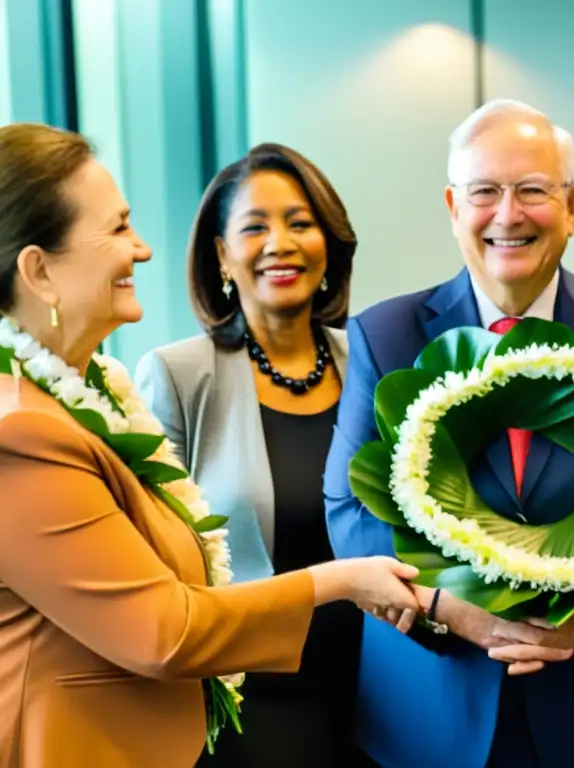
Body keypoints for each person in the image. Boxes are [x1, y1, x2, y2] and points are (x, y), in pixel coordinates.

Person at [0, 123, 420, 768]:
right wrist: (339, 581)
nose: (141, 249)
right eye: (117, 229)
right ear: (40, 272)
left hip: (360, 692)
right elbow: (165, 630)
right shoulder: (21, 430)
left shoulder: (93, 394)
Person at [323, 100, 574, 768]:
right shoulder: (388, 335)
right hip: (433, 703)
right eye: (484, 192)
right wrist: (454, 609)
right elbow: (349, 511)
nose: (508, 214)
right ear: (452, 205)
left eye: (532, 191)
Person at [135, 143, 369, 766]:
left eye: (300, 222)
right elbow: (157, 563)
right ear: (221, 254)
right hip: (257, 701)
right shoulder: (177, 375)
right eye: (255, 227)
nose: (280, 243)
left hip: (384, 689)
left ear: (330, 243)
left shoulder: (373, 359)